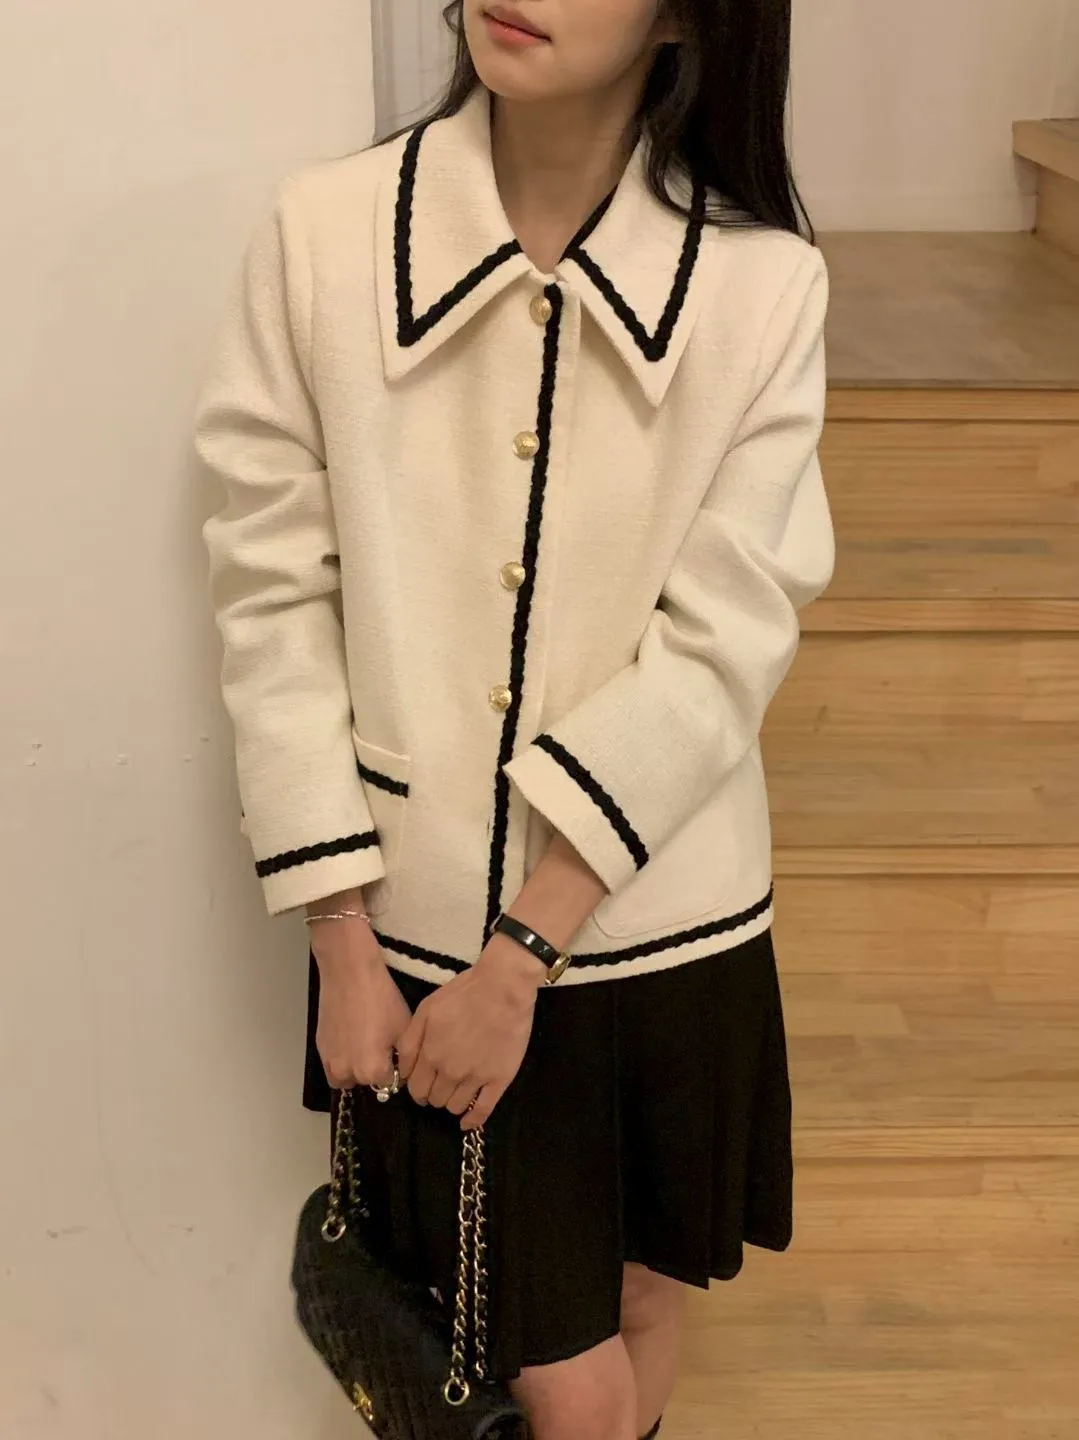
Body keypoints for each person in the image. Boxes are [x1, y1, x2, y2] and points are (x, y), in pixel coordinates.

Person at [196, 1, 832, 1436]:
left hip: (659, 927)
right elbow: (269, 596)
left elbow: (727, 637)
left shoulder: (764, 287)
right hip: (411, 946)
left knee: (644, 1304)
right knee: (548, 1374)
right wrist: (340, 938)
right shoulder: (323, 237)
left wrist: (523, 955)